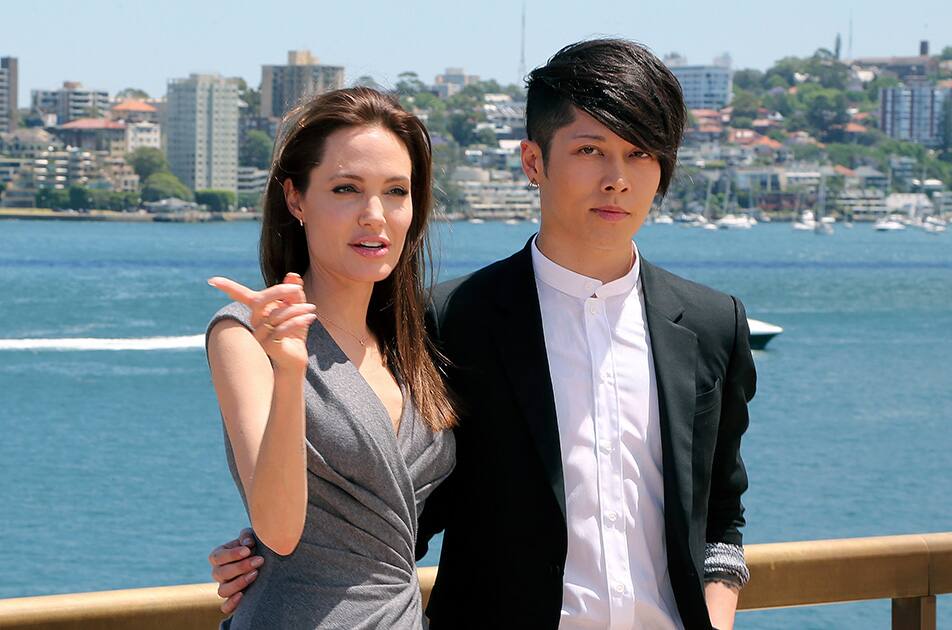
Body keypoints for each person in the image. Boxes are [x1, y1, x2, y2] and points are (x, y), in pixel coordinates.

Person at [211, 39, 754, 630]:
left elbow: (722, 509)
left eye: (642, 153)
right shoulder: (448, 323)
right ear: (533, 161)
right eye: (590, 149)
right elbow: (399, 502)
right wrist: (272, 556)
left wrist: (717, 616)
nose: (617, 179)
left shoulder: (711, 323)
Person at [204, 87, 456, 629]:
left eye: (395, 191)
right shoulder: (244, 335)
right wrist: (292, 369)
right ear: (296, 199)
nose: (374, 215)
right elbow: (279, 528)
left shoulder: (415, 346)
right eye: (346, 189)